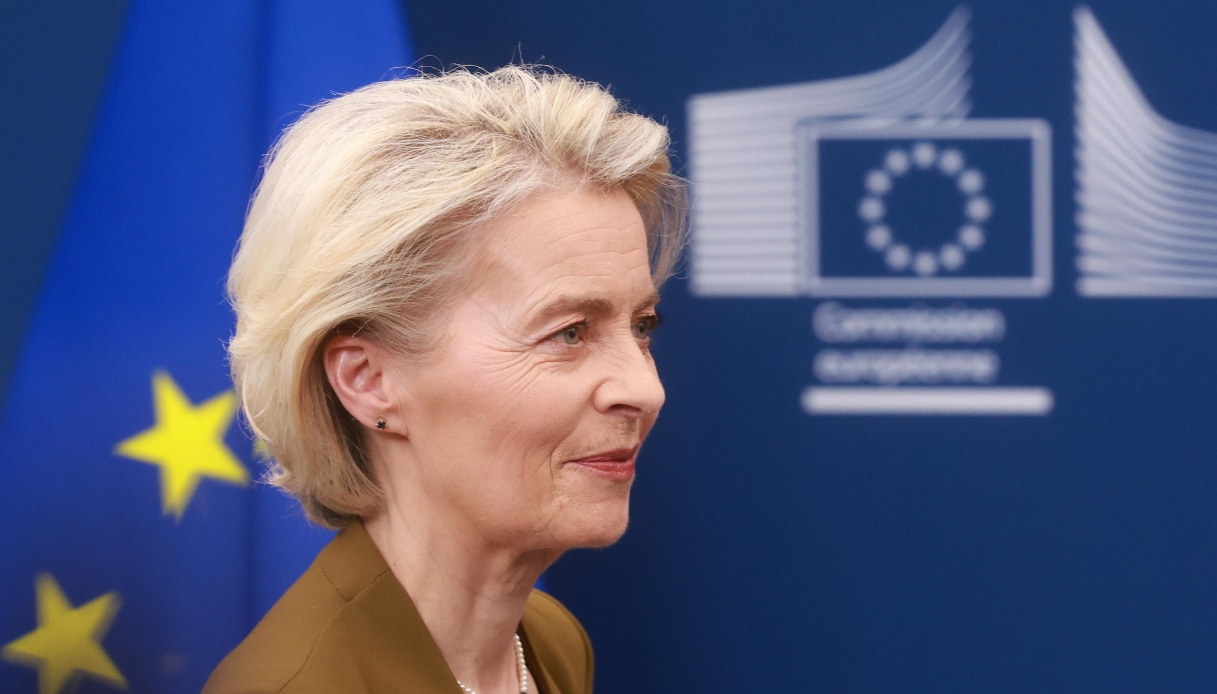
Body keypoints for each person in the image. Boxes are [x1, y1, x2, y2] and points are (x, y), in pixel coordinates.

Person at [202, 65, 685, 694]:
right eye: (569, 333)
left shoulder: (553, 642)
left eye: (642, 326)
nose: (645, 390)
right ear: (368, 380)